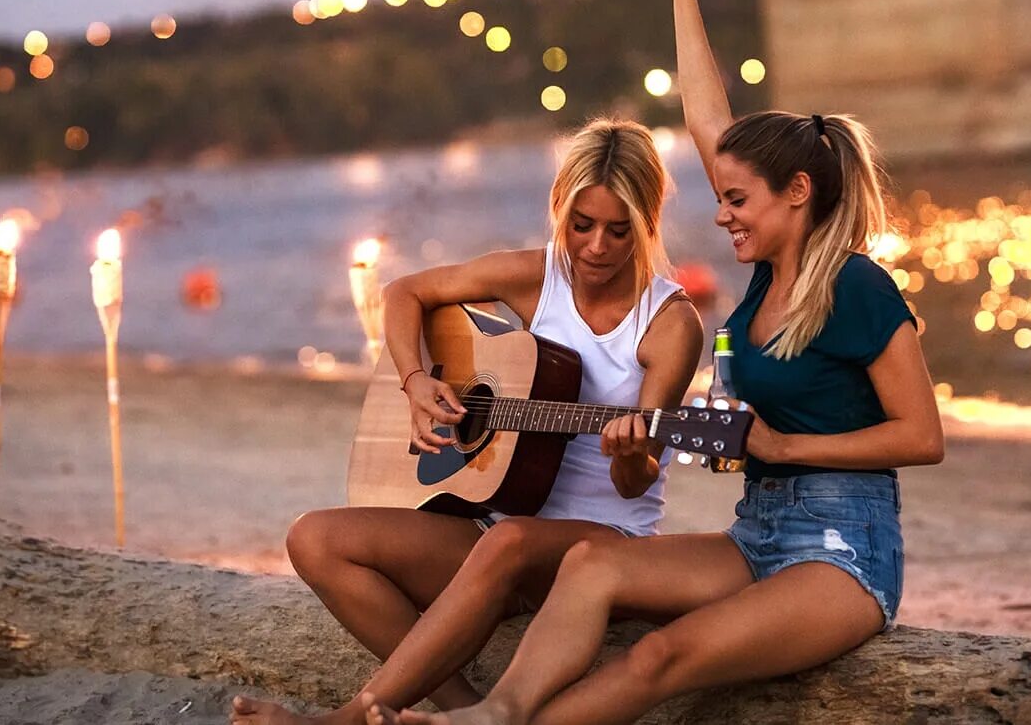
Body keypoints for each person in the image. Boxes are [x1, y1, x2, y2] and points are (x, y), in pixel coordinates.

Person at [382, 0, 944, 725]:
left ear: (798, 194)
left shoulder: (855, 286)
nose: (722, 215)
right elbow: (710, 119)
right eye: (722, 196)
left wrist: (787, 444)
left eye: (737, 200)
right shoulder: (758, 290)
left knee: (662, 655)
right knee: (590, 568)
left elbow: (923, 435)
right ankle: (495, 712)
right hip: (758, 533)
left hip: (844, 549)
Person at [230, 117, 704, 724]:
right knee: (314, 538)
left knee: (509, 540)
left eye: (618, 231)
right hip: (498, 529)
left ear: (647, 222)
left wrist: (633, 453)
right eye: (581, 225)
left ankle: (348, 721)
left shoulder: (669, 324)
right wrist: (417, 380)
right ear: (559, 207)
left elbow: (635, 484)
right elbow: (404, 292)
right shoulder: (538, 275)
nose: (595, 247)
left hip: (603, 548)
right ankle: (459, 710)